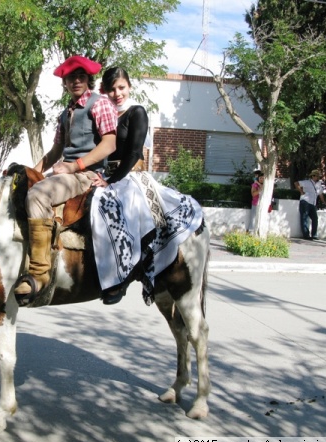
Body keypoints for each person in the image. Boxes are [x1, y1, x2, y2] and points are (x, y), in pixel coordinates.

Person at [91, 67, 204, 305]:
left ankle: (127, 273)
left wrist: (111, 180)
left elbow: (133, 152)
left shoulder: (136, 112)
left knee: (125, 213)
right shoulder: (104, 116)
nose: (117, 93)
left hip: (130, 176)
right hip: (106, 175)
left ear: (129, 87)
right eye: (111, 89)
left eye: (121, 87)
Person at [14, 55, 117, 298]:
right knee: (19, 187)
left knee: (38, 195)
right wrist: (33, 170)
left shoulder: (99, 103)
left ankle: (39, 274)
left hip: (86, 174)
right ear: (66, 82)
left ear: (88, 79)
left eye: (81, 76)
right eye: (71, 77)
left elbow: (110, 144)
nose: (76, 81)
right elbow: (55, 151)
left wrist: (74, 166)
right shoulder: (66, 112)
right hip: (65, 172)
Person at [294, 169, 326, 240]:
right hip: (305, 201)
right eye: (317, 176)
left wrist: (324, 202)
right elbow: (296, 183)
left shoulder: (318, 184)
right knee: (305, 218)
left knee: (315, 218)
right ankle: (306, 235)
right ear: (313, 176)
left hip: (313, 203)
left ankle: (314, 235)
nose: (318, 178)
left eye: (318, 176)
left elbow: (320, 194)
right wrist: (301, 191)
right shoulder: (307, 182)